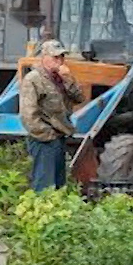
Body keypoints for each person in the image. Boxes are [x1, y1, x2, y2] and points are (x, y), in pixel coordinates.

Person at [18, 40, 84, 192]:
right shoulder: (34, 79)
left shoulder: (60, 78)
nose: (60, 61)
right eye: (56, 57)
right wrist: (47, 135)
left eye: (61, 57)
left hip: (59, 136)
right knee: (44, 185)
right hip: (44, 139)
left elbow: (79, 98)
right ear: (45, 57)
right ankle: (41, 213)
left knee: (59, 184)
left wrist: (68, 79)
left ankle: (55, 213)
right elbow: (28, 114)